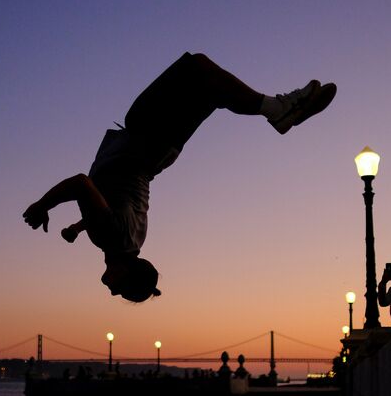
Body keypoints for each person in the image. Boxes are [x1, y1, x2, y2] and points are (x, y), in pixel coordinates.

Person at [23, 52, 337, 302]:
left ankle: (277, 109)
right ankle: (277, 109)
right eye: (119, 289)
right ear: (126, 273)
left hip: (159, 153)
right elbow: (81, 184)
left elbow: (110, 205)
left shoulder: (133, 239)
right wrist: (42, 205)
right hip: (145, 138)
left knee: (211, 89)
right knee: (197, 69)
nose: (112, 291)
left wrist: (77, 227)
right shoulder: (110, 238)